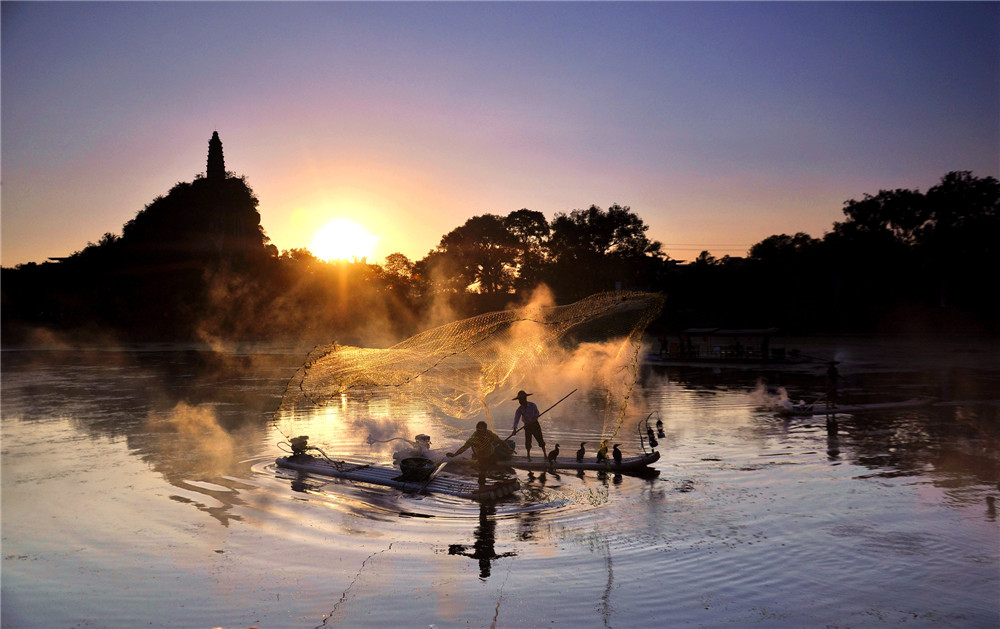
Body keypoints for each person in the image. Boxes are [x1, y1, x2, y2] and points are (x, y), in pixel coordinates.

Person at [447, 421, 514, 484]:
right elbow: (464, 448)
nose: (480, 433)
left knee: (495, 466)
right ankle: (482, 484)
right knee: (482, 471)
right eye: (479, 431)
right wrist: (454, 454)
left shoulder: (489, 434)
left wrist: (509, 448)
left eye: (482, 431)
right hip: (481, 456)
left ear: (485, 430)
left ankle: (502, 479)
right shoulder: (473, 438)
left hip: (491, 452)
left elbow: (500, 441)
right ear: (477, 430)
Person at [511, 390, 546, 460]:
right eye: (519, 400)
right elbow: (516, 419)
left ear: (525, 399)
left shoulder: (532, 405)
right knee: (528, 441)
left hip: (535, 424)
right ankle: (528, 456)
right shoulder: (519, 409)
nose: (520, 401)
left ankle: (545, 454)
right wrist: (514, 428)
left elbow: (537, 413)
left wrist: (534, 417)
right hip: (527, 426)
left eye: (521, 399)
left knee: (540, 439)